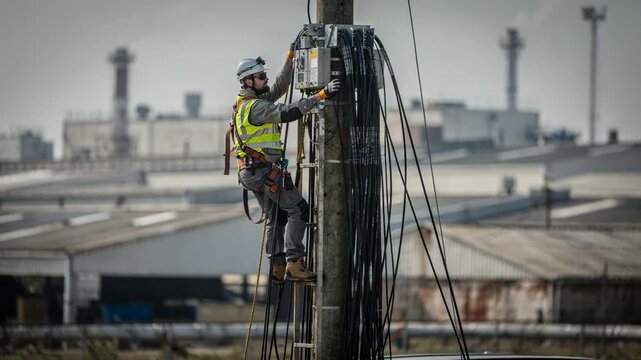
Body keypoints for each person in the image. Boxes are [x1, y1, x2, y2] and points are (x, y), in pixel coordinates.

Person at [232, 45, 341, 284]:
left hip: (251, 172)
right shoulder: (257, 107)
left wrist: (290, 59)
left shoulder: (246, 104)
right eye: (261, 77)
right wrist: (320, 96)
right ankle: (295, 263)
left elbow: (281, 86)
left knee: (276, 217)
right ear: (248, 81)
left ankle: (278, 266)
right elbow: (289, 111)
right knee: (298, 209)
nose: (265, 79)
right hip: (262, 171)